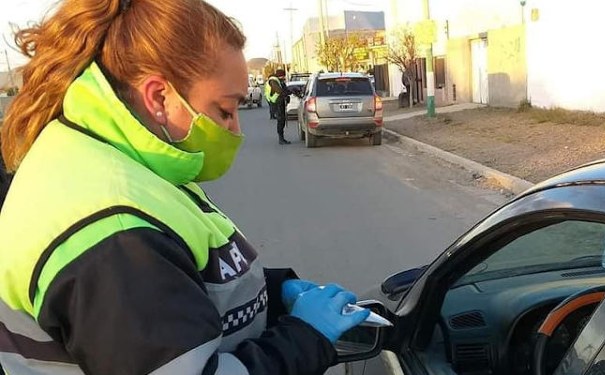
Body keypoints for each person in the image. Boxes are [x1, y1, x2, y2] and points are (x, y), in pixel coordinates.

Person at [0, 0, 369, 374]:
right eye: (225, 110)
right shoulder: (112, 231)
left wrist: (273, 295)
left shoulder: (120, 161)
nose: (236, 130)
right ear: (159, 98)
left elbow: (181, 280)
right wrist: (305, 337)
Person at [266, 69, 291, 145]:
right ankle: (281, 138)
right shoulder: (273, 81)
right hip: (276, 103)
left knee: (282, 120)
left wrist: (289, 92)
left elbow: (284, 90)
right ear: (281, 75)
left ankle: (282, 138)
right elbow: (279, 91)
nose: (284, 77)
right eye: (283, 76)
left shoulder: (278, 81)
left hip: (279, 102)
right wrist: (285, 94)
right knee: (280, 120)